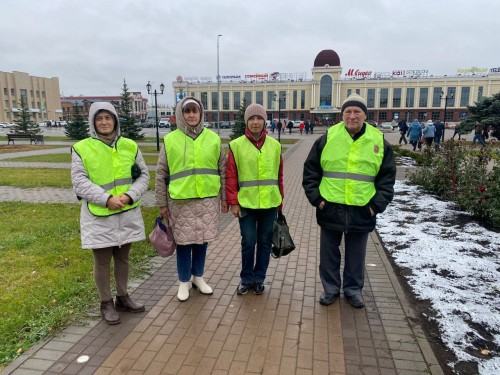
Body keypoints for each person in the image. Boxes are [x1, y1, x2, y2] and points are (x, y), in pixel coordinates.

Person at [302, 93, 396, 309]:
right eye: (348, 112)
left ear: (364, 114)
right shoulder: (328, 137)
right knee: (328, 254)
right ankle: (331, 289)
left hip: (362, 209)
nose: (352, 116)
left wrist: (375, 206)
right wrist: (318, 200)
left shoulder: (378, 140)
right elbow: (310, 171)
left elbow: (387, 177)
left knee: (356, 255)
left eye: (357, 111)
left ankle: (353, 290)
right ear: (342, 115)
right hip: (330, 207)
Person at [71, 102, 150, 325]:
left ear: (115, 120)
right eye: (99, 118)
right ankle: (106, 302)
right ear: (93, 122)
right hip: (99, 213)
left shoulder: (130, 146)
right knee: (103, 260)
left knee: (123, 257)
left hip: (127, 211)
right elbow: (79, 182)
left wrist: (129, 196)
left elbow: (143, 176)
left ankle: (123, 296)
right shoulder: (82, 148)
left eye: (108, 118)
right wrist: (106, 199)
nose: (104, 122)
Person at [155, 97, 227, 302]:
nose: (192, 115)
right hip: (180, 202)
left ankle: (199, 277)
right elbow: (161, 173)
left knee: (202, 242)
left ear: (201, 114)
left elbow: (222, 169)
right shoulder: (171, 140)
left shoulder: (213, 139)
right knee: (184, 243)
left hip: (207, 200)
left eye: (195, 111)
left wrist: (224, 199)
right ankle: (183, 281)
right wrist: (162, 203)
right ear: (181, 114)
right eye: (187, 111)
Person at [226, 103, 284, 296]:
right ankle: (246, 278)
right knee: (249, 241)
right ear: (246, 121)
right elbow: (231, 176)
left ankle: (259, 279)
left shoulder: (275, 146)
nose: (256, 122)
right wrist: (233, 202)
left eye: (259, 118)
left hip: (269, 203)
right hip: (246, 204)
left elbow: (279, 175)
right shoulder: (236, 146)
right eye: (252, 118)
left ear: (264, 120)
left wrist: (280, 201)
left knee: (265, 242)